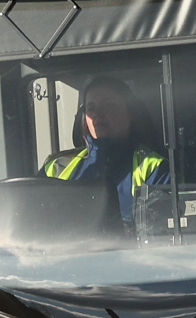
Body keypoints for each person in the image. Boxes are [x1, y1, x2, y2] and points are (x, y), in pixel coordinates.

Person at [39, 77, 168, 229]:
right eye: (91, 108)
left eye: (109, 106)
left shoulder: (155, 168)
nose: (98, 114)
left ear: (131, 113)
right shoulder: (55, 166)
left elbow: (160, 232)